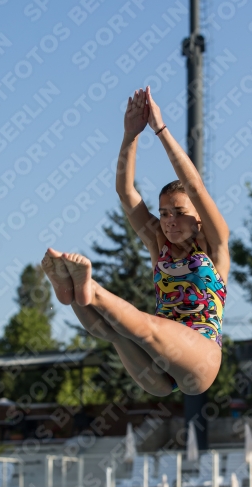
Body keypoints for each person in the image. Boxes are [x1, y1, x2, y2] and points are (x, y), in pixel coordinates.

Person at [41, 86, 230, 396]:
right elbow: (126, 193)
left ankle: (92, 290)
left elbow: (194, 185)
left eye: (179, 213)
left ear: (198, 218)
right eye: (164, 213)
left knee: (145, 327)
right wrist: (130, 135)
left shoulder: (214, 245)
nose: (169, 220)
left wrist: (160, 129)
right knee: (117, 333)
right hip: (155, 370)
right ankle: (72, 291)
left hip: (200, 358)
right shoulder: (159, 245)